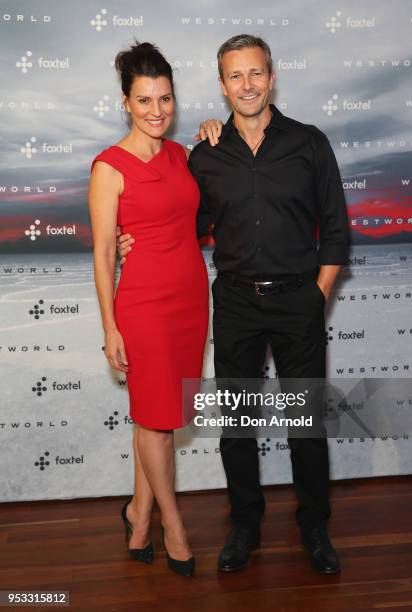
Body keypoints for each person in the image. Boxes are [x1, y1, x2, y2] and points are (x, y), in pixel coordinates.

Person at [117, 34, 349, 575]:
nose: (247, 85)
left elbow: (336, 231)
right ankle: (244, 524)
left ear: (271, 77)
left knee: (306, 424)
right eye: (235, 76)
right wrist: (133, 241)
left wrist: (316, 296)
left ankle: (314, 526)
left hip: (299, 302)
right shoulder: (206, 154)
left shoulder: (310, 143)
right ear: (222, 86)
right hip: (236, 303)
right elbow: (182, 224)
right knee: (238, 423)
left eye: (255, 73)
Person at [88, 41, 221, 577]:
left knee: (157, 417)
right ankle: (175, 526)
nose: (157, 111)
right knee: (156, 419)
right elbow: (101, 256)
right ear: (126, 102)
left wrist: (218, 130)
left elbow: (202, 216)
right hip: (142, 303)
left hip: (191, 296)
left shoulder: (183, 156)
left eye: (165, 99)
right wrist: (109, 328)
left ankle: (138, 516)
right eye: (145, 101)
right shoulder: (108, 167)